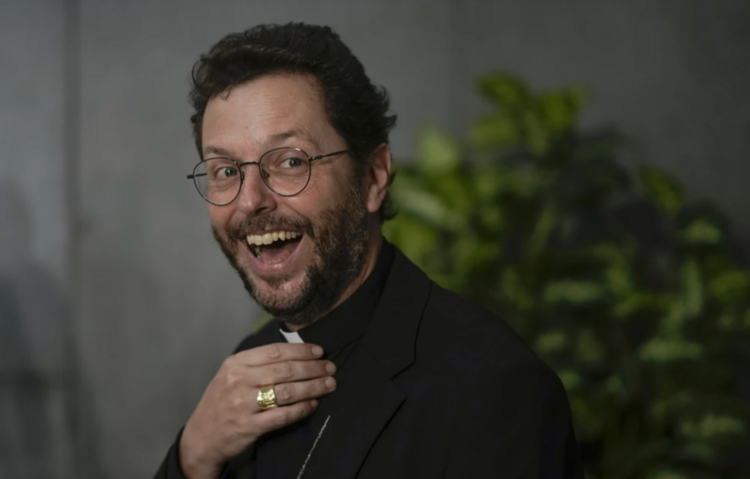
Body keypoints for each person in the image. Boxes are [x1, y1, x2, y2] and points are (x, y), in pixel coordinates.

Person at [155, 22, 582, 479]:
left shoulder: (494, 388)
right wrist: (196, 452)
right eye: (224, 171)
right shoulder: (250, 368)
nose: (249, 200)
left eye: (291, 161)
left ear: (373, 177)